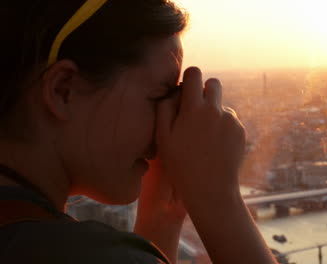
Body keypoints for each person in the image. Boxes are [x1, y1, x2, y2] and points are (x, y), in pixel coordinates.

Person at [0, 0, 278, 263]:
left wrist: (161, 216)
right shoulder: (84, 256)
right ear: (64, 91)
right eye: (161, 95)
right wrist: (220, 200)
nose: (165, 123)